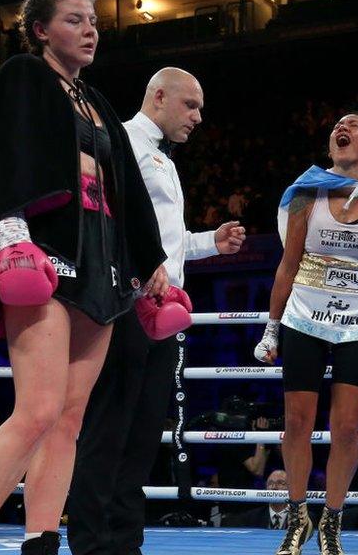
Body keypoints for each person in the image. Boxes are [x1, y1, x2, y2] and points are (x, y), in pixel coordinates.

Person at [0, 0, 169, 555]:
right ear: (40, 30)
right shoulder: (21, 76)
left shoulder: (96, 100)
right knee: (36, 410)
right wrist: (8, 232)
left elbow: (126, 188)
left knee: (67, 419)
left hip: (102, 258)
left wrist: (149, 261)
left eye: (93, 21)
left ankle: (42, 542)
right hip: (45, 252)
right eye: (74, 20)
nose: (90, 30)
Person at [67, 66, 246, 555]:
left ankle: (125, 542)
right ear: (159, 96)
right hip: (123, 305)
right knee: (109, 428)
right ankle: (90, 543)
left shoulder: (164, 160)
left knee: (144, 433)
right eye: (191, 105)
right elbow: (101, 222)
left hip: (162, 314)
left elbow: (166, 242)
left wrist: (213, 242)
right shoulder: (119, 141)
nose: (199, 117)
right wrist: (135, 271)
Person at [253, 113, 358, 555]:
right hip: (305, 314)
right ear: (332, 147)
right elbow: (286, 266)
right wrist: (271, 328)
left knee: (346, 429)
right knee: (295, 424)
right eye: (336, 127)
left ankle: (332, 521)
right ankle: (297, 517)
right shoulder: (308, 196)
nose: (341, 127)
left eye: (354, 124)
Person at [224, 470, 291, 530]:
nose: (274, 487)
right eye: (270, 483)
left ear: (291, 488)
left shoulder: (299, 517)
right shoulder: (251, 517)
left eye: (280, 483)